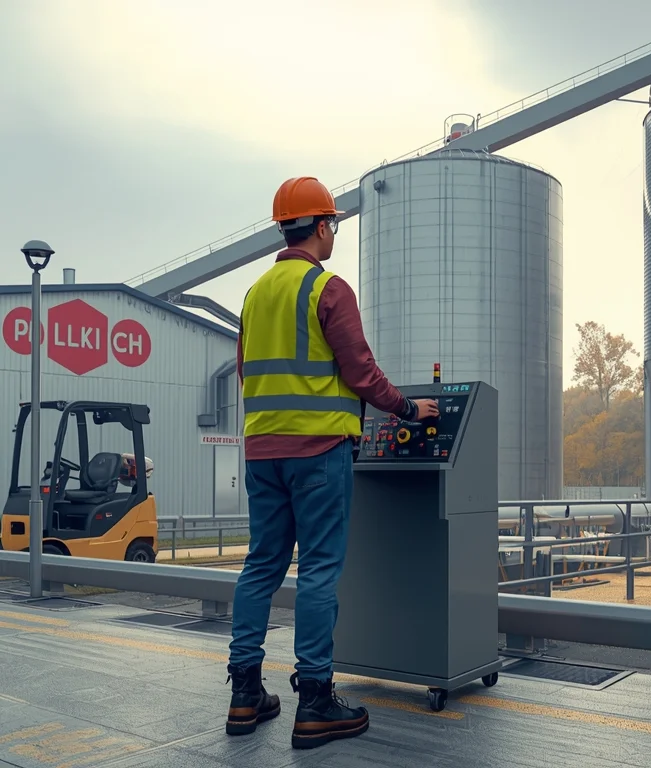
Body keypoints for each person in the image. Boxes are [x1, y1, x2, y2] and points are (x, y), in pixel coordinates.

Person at [224, 176, 439, 750]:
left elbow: (246, 373)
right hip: (319, 451)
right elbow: (361, 372)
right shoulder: (328, 288)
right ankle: (316, 701)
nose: (335, 231)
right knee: (318, 569)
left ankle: (245, 691)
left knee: (261, 566)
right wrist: (406, 409)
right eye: (334, 223)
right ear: (321, 226)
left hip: (262, 450)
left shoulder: (255, 294)